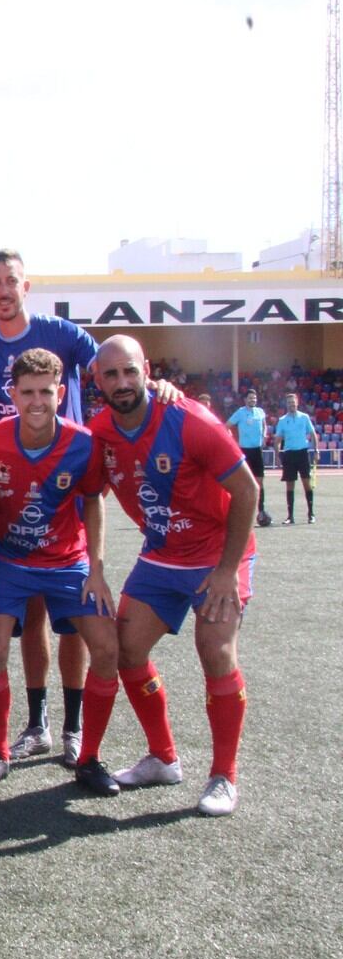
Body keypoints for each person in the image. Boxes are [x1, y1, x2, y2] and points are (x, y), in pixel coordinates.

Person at [0, 249, 180, 766]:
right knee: (13, 635)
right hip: (9, 536)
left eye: (11, 280)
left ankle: (75, 734)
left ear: (26, 286)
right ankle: (26, 732)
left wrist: (152, 387)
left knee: (78, 633)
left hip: (66, 543)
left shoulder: (65, 341)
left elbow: (114, 369)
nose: (3, 288)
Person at [88, 335, 258, 816]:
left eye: (129, 372)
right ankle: (163, 758)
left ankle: (225, 776)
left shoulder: (189, 420)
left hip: (219, 554)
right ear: (97, 381)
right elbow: (89, 496)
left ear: (146, 370)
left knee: (216, 651)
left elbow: (247, 491)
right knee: (127, 651)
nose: (122, 383)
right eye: (111, 375)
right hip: (162, 555)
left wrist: (227, 571)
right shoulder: (100, 432)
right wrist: (95, 567)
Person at [0, 349, 121, 796]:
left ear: (62, 391)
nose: (37, 401)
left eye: (46, 392)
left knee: (106, 647)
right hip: (8, 560)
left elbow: (93, 499)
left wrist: (97, 568)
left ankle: (87, 754)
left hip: (67, 561)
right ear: (12, 393)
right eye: (27, 392)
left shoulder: (83, 442)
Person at [225, 389, 272, 527]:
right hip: (244, 451)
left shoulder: (260, 412)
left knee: (259, 482)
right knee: (244, 483)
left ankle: (261, 511)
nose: (253, 400)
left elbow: (264, 425)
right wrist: (232, 441)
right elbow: (227, 425)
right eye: (250, 398)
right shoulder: (240, 412)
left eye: (255, 398)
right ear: (245, 400)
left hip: (257, 450)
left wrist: (264, 435)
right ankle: (241, 515)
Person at [274, 392, 319, 524]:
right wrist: (277, 455)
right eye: (289, 403)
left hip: (302, 453)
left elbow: (313, 434)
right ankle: (290, 516)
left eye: (293, 403)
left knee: (307, 483)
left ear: (297, 403)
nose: (291, 405)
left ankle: (311, 513)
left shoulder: (304, 417)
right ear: (286, 404)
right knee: (290, 485)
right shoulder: (282, 420)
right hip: (289, 454)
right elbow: (277, 439)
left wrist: (316, 450)